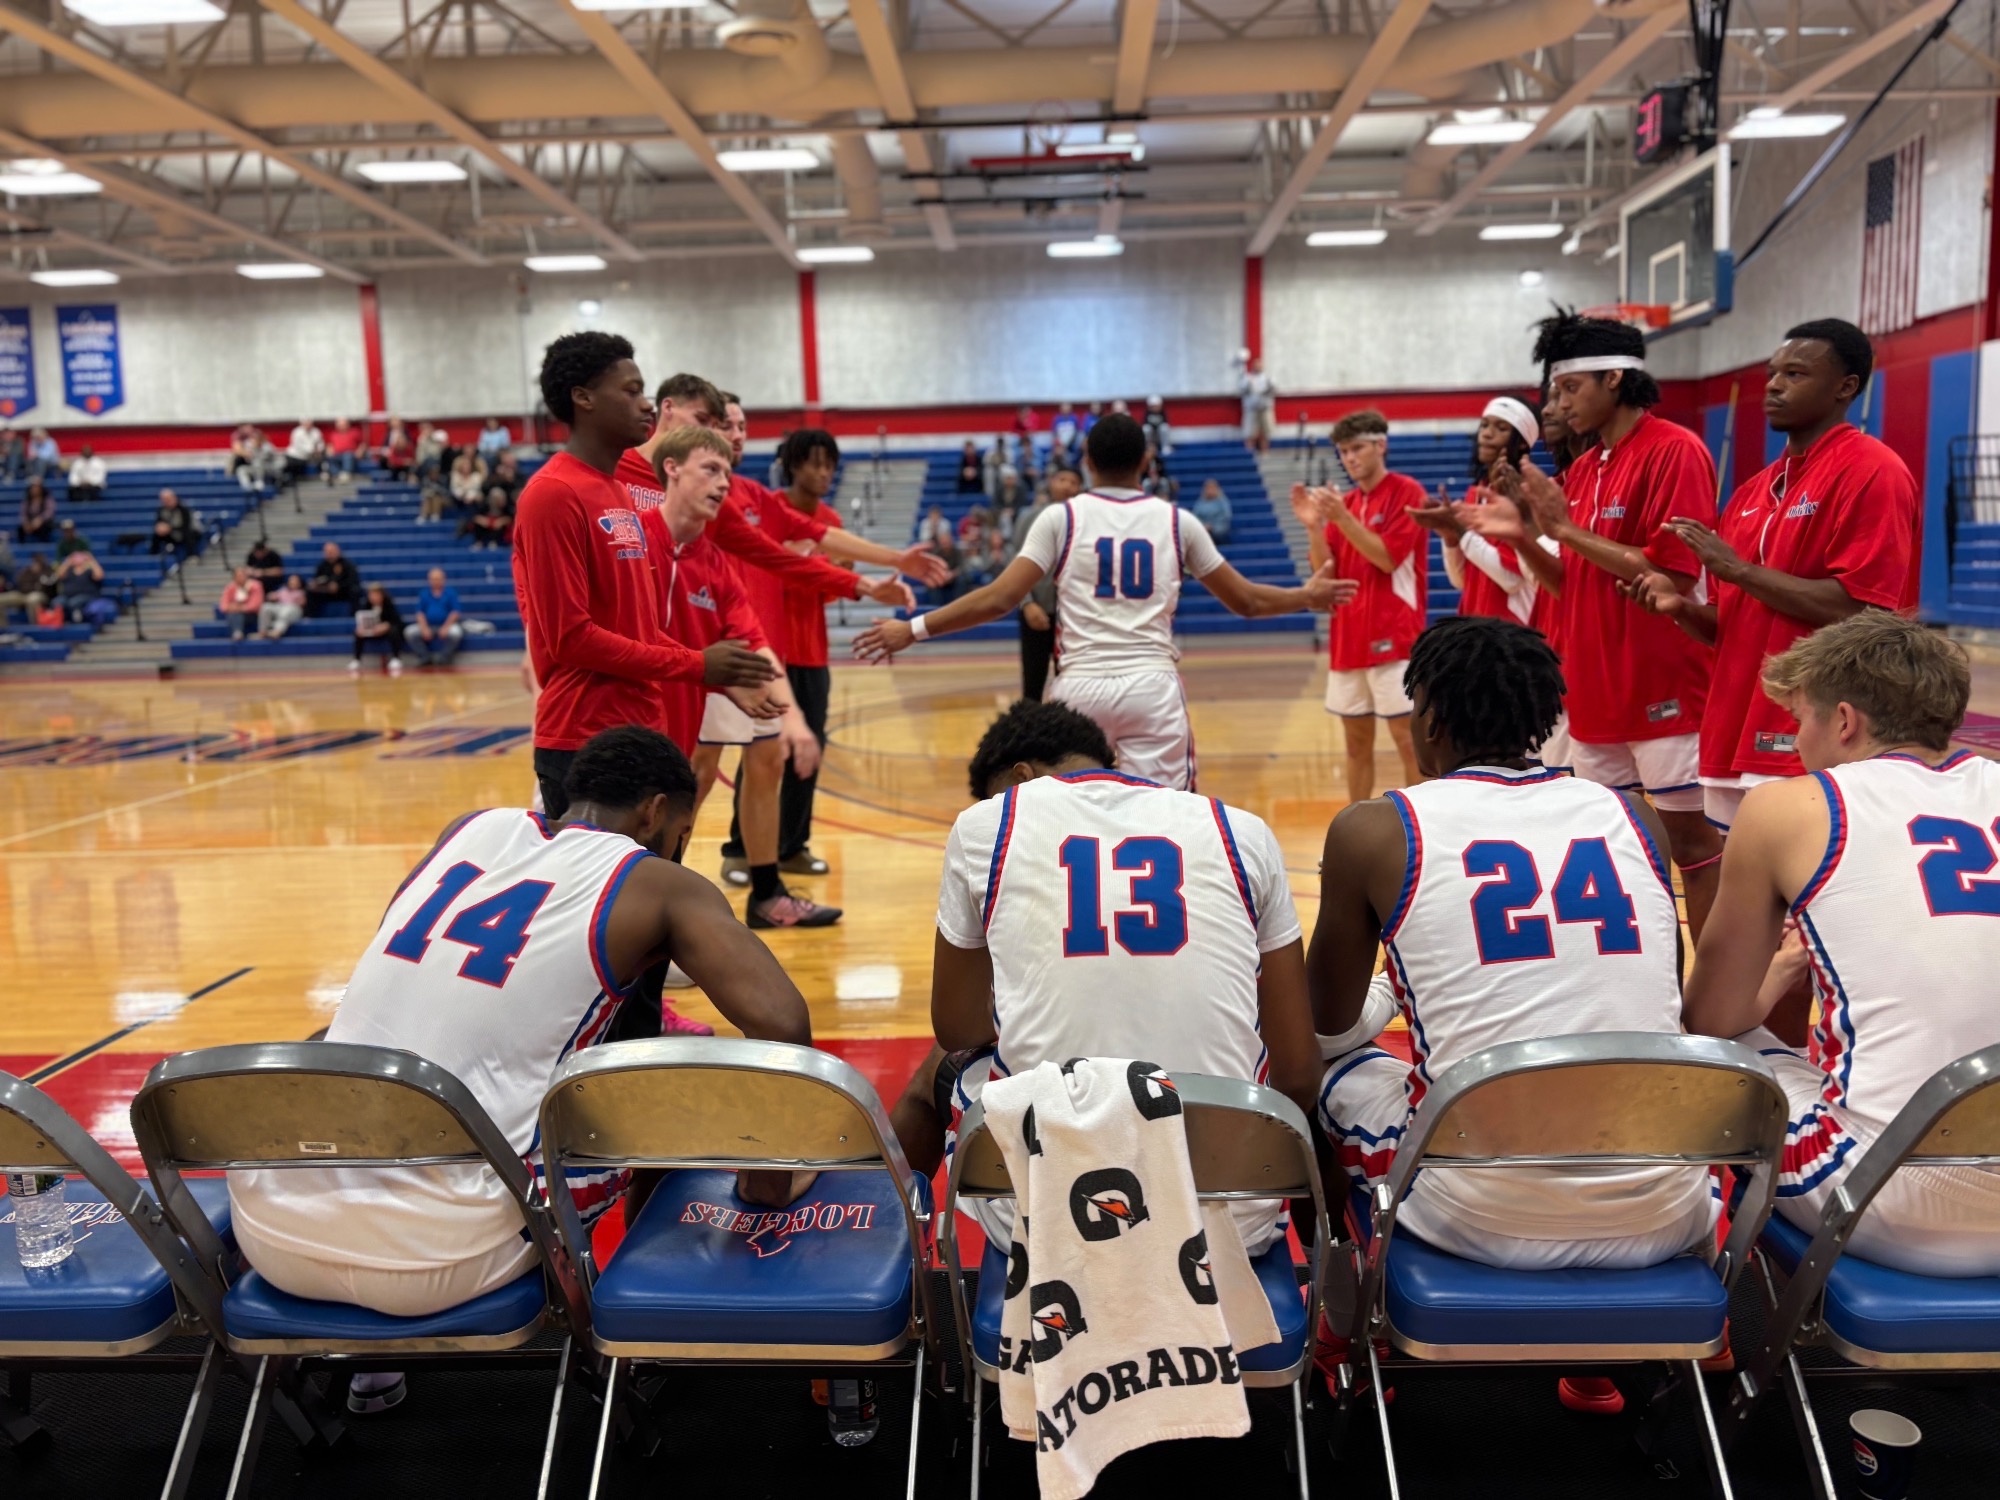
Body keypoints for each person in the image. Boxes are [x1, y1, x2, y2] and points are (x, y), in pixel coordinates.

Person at [224, 727, 814, 1378]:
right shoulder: (659, 884)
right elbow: (783, 1024)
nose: (680, 846)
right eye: (683, 828)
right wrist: (770, 1180)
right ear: (655, 812)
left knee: (357, 1056)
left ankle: (371, 1365)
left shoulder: (466, 831)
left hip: (273, 1237)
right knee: (659, 1098)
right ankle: (643, 1354)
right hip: (444, 1260)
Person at [1310, 616, 1706, 1415]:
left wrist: (1394, 986)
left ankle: (1336, 1326)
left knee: (1314, 1069)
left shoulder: (1376, 828)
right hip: (1667, 1201)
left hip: (1476, 1208)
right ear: (1542, 714)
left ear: (1427, 717)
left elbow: (1324, 1020)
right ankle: (1602, 1354)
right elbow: (1661, 996)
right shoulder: (1634, 818)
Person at [887, 698, 1320, 1270]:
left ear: (1021, 778)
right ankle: (1336, 1296)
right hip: (1228, 1218)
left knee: (939, 1068)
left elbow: (960, 1027)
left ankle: (886, 1263)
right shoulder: (1241, 830)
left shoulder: (991, 822)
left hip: (1049, 1219)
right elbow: (1298, 1075)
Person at [1684, 613, 2000, 1275]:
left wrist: (1782, 968)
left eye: (1801, 719)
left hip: (1898, 1199)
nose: (1796, 742)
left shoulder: (1787, 807)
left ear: (1846, 721)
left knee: (1718, 1059)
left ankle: (1707, 1316)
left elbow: (1710, 1020)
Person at [854, 413, 1355, 789]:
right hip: (1151, 688)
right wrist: (1306, 597)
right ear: (1145, 461)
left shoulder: (1062, 519)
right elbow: (1245, 601)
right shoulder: (1178, 522)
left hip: (1079, 691)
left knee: (1073, 823)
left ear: (1087, 461)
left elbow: (1000, 596)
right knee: (1165, 821)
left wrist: (913, 628)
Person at [628, 380, 939, 906]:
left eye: (740, 430)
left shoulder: (732, 508)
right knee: (680, 776)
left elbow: (791, 553)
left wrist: (871, 575)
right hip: (675, 663)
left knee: (751, 759)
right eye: (721, 425)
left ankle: (755, 882)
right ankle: (671, 884)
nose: (732, 437)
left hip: (731, 654)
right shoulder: (630, 494)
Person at [1625, 320, 1919, 834]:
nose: (1775, 385)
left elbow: (1861, 610)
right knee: (1735, 890)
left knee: (1805, 901)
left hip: (1809, 730)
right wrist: (1680, 610)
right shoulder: (1751, 493)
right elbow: (1726, 624)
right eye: (1772, 373)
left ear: (1845, 387)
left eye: (1796, 373)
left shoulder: (1874, 470)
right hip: (1730, 729)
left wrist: (1737, 569)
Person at [1519, 309, 1723, 939]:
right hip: (1597, 692)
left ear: (1613, 378)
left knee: (1691, 841)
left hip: (1663, 685)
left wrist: (1563, 531)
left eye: (1569, 388)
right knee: (1620, 850)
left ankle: (1716, 998)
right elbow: (1572, 583)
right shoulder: (1585, 469)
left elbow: (1676, 572)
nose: (1560, 402)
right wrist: (1531, 538)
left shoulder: (1675, 450)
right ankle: (1648, 985)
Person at [512, 334, 774, 821]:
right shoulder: (552, 494)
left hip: (638, 731)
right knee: (599, 895)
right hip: (584, 742)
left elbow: (634, 626)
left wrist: (710, 667)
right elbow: (571, 638)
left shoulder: (619, 494)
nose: (646, 403)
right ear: (583, 397)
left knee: (647, 884)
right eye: (630, 391)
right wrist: (696, 665)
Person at [1291, 409, 1428, 805]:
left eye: (1357, 449)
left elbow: (1386, 558)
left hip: (1395, 638)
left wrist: (1343, 517)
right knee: (1355, 745)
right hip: (1348, 638)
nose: (1350, 458)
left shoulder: (1407, 492)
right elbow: (1323, 571)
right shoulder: (1345, 504)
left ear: (1380, 445)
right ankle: (1354, 828)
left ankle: (1420, 829)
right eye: (1344, 452)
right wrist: (1314, 527)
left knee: (1407, 740)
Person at [1407, 396, 1543, 625]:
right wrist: (1450, 537)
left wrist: (1461, 531)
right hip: (1477, 628)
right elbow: (1461, 580)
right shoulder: (1477, 492)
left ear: (1521, 443)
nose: (1487, 434)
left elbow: (1512, 579)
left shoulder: (1523, 496)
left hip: (1513, 632)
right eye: (1484, 424)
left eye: (1501, 428)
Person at [1013, 471, 1069, 700]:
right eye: (1062, 479)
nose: (1067, 486)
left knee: (1071, 688)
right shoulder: (1030, 517)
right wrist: (1026, 603)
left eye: (1074, 482)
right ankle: (1031, 735)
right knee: (1033, 685)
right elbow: (1014, 562)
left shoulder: (1088, 520)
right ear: (1050, 483)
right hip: (1037, 611)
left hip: (1074, 618)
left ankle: (1071, 736)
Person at [409, 567, 464, 667]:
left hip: (446, 625)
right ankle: (425, 657)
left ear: (443, 579)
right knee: (410, 632)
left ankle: (444, 658)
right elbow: (420, 613)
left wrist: (446, 627)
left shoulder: (450, 593)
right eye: (433, 579)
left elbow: (455, 612)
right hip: (428, 625)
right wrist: (424, 628)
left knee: (456, 632)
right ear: (429, 580)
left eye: (438, 579)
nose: (435, 581)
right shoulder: (424, 594)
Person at [350, 582, 406, 674]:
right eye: (371, 595)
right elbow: (362, 619)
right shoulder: (366, 604)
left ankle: (396, 658)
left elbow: (397, 621)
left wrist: (386, 625)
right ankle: (357, 660)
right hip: (371, 631)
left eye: (375, 594)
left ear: (381, 595)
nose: (373, 597)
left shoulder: (388, 604)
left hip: (385, 631)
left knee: (394, 631)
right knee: (357, 633)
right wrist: (361, 628)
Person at [55, 548, 108, 625]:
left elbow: (100, 576)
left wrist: (91, 560)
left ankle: (77, 622)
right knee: (58, 601)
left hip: (86, 596)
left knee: (74, 602)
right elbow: (58, 575)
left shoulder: (89, 571)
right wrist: (67, 562)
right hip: (67, 596)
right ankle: (61, 621)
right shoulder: (69, 571)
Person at [306, 540, 360, 617]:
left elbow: (353, 581)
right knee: (310, 592)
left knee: (355, 591)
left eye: (331, 551)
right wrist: (325, 587)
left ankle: (354, 616)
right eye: (327, 552)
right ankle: (310, 617)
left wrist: (339, 586)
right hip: (326, 592)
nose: (330, 554)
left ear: (338, 551)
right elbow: (317, 580)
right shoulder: (321, 566)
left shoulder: (347, 565)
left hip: (343, 592)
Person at [1237, 351, 1276, 453]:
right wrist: (1249, 386)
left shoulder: (1268, 378)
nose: (1258, 366)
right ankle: (1249, 456)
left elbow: (1274, 389)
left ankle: (1265, 453)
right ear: (1253, 366)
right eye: (1256, 364)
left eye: (1260, 364)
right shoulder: (1247, 378)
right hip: (1251, 410)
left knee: (1265, 433)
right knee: (1250, 434)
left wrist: (1267, 390)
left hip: (1265, 409)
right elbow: (1242, 390)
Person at [0, 553, 50, 623]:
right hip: (23, 594)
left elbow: (45, 587)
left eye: (38, 562)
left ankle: (35, 627)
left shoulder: (47, 572)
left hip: (39, 595)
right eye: (34, 562)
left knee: (33, 599)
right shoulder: (26, 572)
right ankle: (2, 628)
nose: (35, 565)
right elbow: (20, 584)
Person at [218, 567, 263, 642]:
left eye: (242, 575)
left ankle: (237, 632)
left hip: (252, 615)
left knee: (235, 614)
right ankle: (238, 633)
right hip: (234, 614)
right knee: (233, 614)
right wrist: (233, 608)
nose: (241, 578)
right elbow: (223, 606)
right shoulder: (230, 587)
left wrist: (240, 608)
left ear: (246, 576)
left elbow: (256, 605)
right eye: (238, 576)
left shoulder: (255, 585)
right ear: (234, 577)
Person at [260, 573, 307, 640]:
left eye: (295, 581)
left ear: (299, 583)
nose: (292, 582)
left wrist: (300, 601)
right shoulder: (283, 590)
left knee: (286, 611)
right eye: (291, 580)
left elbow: (303, 603)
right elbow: (271, 596)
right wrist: (272, 596)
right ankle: (263, 632)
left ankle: (276, 632)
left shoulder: (301, 592)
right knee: (266, 606)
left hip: (293, 610)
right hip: (281, 607)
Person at [150, 490, 196, 557]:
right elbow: (158, 523)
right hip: (169, 534)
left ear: (174, 498)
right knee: (156, 535)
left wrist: (170, 528)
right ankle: (153, 556)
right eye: (164, 500)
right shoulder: (161, 510)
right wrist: (160, 528)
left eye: (168, 499)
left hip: (182, 532)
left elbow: (186, 526)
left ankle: (192, 556)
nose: (166, 502)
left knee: (188, 534)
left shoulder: (183, 510)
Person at [1191, 477, 1232, 543]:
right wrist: (1204, 525)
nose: (1210, 490)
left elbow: (1226, 516)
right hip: (1204, 528)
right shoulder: (1200, 503)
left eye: (1212, 488)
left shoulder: (1223, 502)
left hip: (1218, 528)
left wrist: (1213, 526)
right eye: (1208, 488)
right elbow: (1195, 516)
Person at [285, 417, 326, 482]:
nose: (308, 426)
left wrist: (319, 449)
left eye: (309, 424)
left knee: (323, 458)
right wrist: (312, 450)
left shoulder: (316, 431)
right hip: (296, 456)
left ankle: (323, 474)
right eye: (306, 424)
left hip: (310, 456)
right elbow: (297, 445)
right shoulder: (297, 432)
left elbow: (320, 442)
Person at [17, 477, 54, 543]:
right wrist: (26, 523)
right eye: (33, 487)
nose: (34, 489)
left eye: (36, 487)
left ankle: (44, 546)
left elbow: (49, 512)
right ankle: (22, 546)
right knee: (20, 529)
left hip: (42, 523)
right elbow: (23, 514)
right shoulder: (27, 501)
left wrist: (40, 520)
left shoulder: (47, 500)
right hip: (30, 523)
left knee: (45, 528)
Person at [326, 417, 362, 482]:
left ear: (348, 425)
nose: (341, 426)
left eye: (343, 425)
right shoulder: (333, 434)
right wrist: (329, 450)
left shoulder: (354, 432)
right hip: (337, 454)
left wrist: (360, 451)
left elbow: (362, 444)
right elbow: (330, 445)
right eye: (339, 425)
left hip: (350, 454)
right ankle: (336, 474)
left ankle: (346, 473)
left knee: (347, 455)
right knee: (330, 457)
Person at [1142, 393, 1172, 457]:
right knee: (1146, 429)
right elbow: (1145, 424)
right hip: (1151, 434)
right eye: (1153, 406)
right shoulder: (1147, 413)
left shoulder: (1162, 413)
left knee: (1164, 427)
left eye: (1156, 406)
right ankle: (1146, 447)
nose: (1155, 408)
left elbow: (1165, 423)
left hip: (1159, 434)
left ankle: (1165, 446)